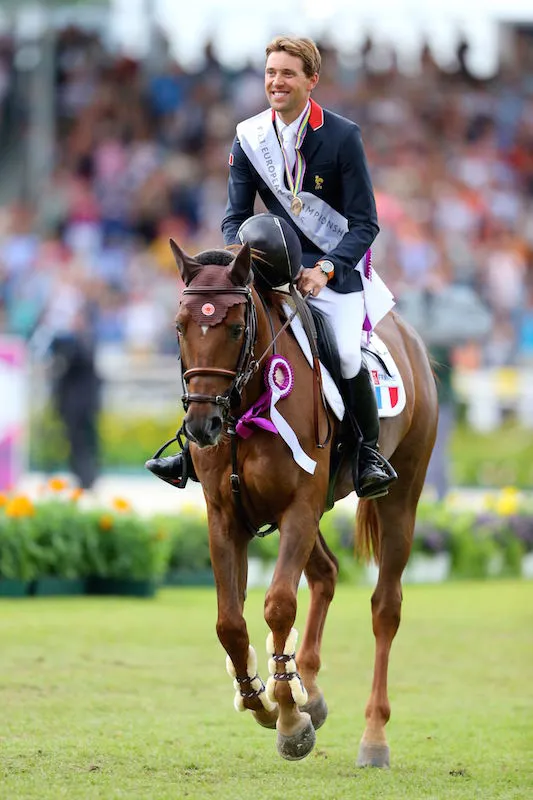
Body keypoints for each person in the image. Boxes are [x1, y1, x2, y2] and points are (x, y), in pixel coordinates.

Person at [147, 35, 397, 499]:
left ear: (311, 80)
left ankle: (367, 453)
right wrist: (231, 265)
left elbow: (365, 223)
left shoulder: (342, 136)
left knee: (343, 350)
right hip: (270, 265)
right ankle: (191, 446)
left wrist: (324, 269)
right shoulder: (249, 137)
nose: (276, 82)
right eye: (270, 73)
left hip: (333, 269)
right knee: (212, 332)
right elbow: (234, 217)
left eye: (287, 73)